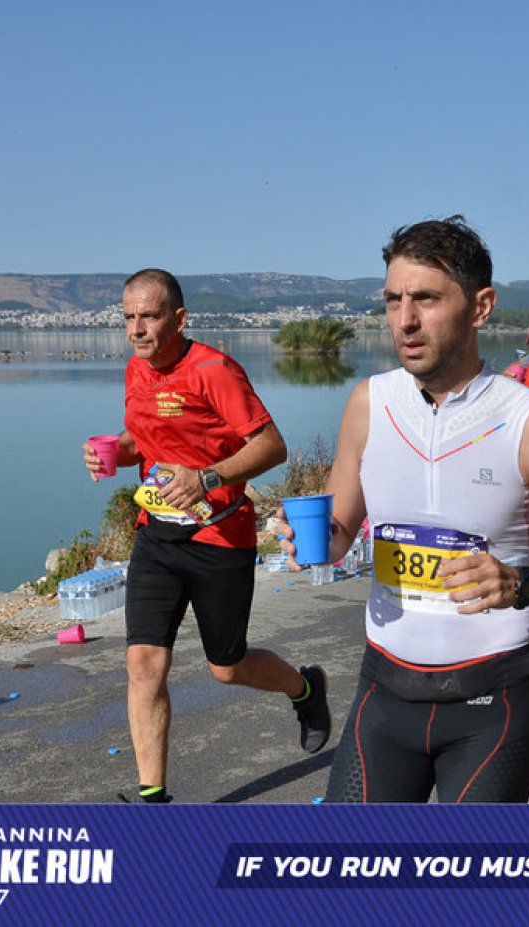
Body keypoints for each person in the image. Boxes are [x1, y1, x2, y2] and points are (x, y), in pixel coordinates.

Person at [280, 217, 529, 803]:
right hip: (385, 690)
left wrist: (523, 583)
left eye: (426, 299)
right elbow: (341, 531)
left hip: (493, 702)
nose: (404, 320)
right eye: (393, 300)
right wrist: (308, 538)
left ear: (481, 307)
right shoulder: (369, 403)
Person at [82, 268, 331, 803]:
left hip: (220, 537)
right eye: (128, 317)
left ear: (179, 318)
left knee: (227, 667)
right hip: (156, 538)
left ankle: (305, 687)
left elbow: (272, 446)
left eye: (149, 317)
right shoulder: (136, 369)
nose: (137, 329)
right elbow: (141, 440)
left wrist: (207, 478)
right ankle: (153, 800)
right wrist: (110, 454)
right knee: (143, 664)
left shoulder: (214, 370)